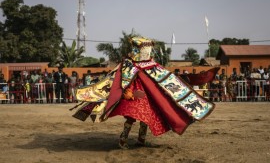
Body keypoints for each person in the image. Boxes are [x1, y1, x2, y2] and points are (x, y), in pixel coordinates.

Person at [71, 37, 215, 149]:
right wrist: (129, 93)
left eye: (148, 48)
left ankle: (141, 139)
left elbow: (164, 79)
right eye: (145, 48)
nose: (147, 51)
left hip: (146, 95)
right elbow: (123, 80)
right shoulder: (129, 64)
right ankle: (123, 139)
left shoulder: (151, 64)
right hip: (132, 94)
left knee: (146, 117)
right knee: (132, 117)